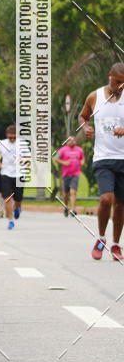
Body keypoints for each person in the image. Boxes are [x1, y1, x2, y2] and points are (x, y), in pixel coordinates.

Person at [79, 63, 124, 262]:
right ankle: (101, 238)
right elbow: (83, 116)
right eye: (118, 82)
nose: (121, 87)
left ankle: (115, 244)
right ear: (109, 76)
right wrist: (86, 128)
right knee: (106, 199)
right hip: (103, 158)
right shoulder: (94, 96)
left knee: (121, 205)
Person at [0, 125, 23, 229]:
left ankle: (17, 208)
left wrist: (24, 160)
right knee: (7, 198)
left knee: (18, 199)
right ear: (7, 135)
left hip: (19, 174)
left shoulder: (22, 144)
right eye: (10, 138)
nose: (12, 139)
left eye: (14, 137)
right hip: (5, 173)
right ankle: (10, 220)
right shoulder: (2, 143)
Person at [55, 136, 85, 217]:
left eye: (73, 140)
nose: (72, 141)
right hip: (66, 174)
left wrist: (82, 162)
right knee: (66, 194)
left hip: (76, 174)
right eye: (70, 140)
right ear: (67, 141)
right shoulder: (62, 150)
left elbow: (82, 158)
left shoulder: (79, 149)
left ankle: (73, 209)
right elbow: (56, 158)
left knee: (73, 192)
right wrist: (64, 162)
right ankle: (65, 207)